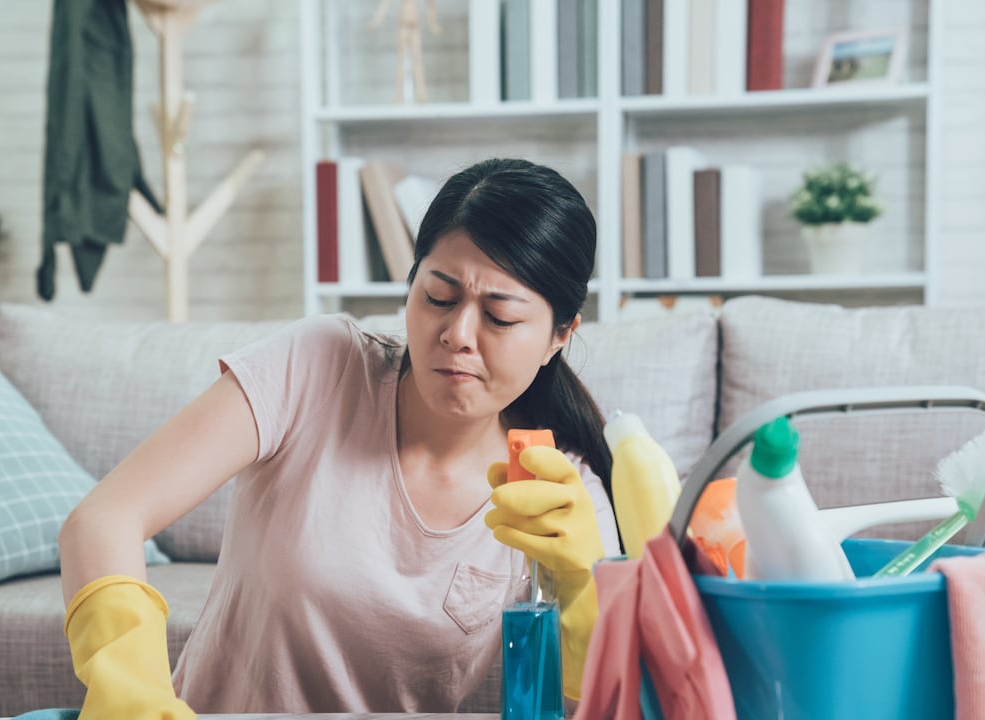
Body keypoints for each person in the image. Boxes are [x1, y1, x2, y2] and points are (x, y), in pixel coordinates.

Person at [57, 157, 621, 717]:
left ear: (560, 335)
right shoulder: (320, 367)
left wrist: (584, 599)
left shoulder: (560, 493)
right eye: (439, 298)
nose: (458, 335)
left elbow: (595, 707)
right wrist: (133, 692)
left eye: (499, 317)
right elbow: (107, 516)